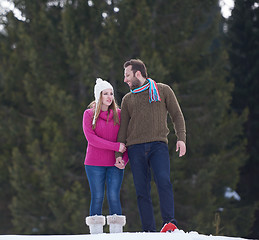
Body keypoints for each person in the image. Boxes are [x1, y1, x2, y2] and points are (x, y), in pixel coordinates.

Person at [115, 59, 186, 232]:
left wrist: (181, 138)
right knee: (141, 190)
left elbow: (177, 115)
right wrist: (118, 154)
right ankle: (149, 230)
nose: (125, 80)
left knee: (163, 181)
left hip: (158, 146)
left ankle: (169, 224)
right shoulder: (127, 100)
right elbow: (123, 128)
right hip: (135, 148)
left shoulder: (162, 90)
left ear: (138, 74)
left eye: (127, 75)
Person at [83, 78, 128, 234]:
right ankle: (96, 234)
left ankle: (116, 234)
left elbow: (125, 138)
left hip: (115, 163)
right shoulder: (88, 114)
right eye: (105, 94)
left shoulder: (120, 115)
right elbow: (92, 139)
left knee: (114, 195)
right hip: (94, 163)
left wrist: (124, 159)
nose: (109, 97)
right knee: (97, 196)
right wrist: (115, 147)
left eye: (111, 94)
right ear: (98, 96)